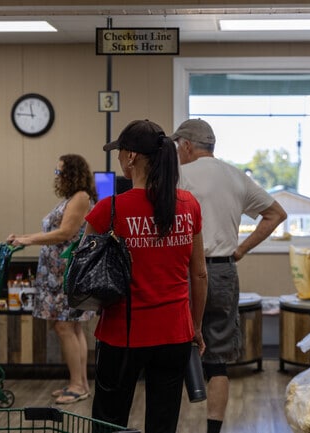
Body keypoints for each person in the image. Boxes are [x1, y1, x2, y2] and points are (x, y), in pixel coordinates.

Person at [87, 119, 207, 433]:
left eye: (119, 152)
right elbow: (200, 274)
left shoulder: (108, 209)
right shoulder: (188, 205)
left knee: (108, 422)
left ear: (130, 157)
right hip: (175, 333)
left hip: (122, 333)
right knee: (163, 423)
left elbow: (83, 268)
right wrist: (195, 325)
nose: (117, 158)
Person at [171, 118, 287, 433]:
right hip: (222, 270)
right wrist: (241, 249)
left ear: (186, 145)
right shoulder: (236, 176)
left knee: (170, 351)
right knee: (218, 360)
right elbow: (276, 214)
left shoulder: (177, 175)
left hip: (182, 271)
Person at [7, 154, 96, 404]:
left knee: (65, 326)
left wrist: (28, 240)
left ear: (73, 174)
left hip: (64, 273)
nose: (57, 177)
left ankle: (78, 384)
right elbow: (53, 231)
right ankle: (80, 383)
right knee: (71, 326)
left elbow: (65, 233)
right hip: (56, 273)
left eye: (60, 172)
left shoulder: (80, 197)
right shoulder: (71, 198)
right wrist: (22, 236)